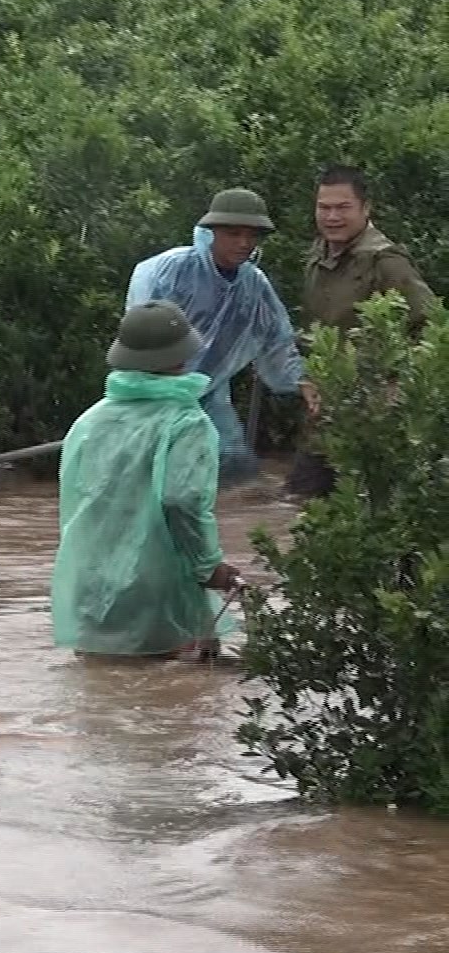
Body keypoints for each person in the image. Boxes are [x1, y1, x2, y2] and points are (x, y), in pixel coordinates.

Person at [51, 302, 242, 662]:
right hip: (157, 587)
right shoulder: (188, 422)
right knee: (175, 700)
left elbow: (77, 500)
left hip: (91, 584)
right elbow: (181, 501)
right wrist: (208, 566)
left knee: (100, 698)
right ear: (183, 354)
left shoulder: (89, 420)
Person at [126, 188, 319, 486]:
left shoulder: (253, 284)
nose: (244, 243)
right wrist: (159, 390)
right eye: (233, 234)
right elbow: (142, 336)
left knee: (230, 469)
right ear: (211, 231)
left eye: (252, 235)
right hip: (152, 394)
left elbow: (276, 341)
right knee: (148, 475)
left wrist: (302, 381)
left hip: (210, 393)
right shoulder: (170, 270)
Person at [287, 164, 440, 500]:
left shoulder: (385, 263)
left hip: (373, 416)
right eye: (324, 207)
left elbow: (433, 329)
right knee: (301, 506)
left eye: (343, 207)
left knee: (367, 509)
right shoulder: (317, 256)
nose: (331, 217)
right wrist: (309, 378)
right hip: (323, 411)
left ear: (366, 208)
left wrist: (394, 387)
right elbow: (315, 332)